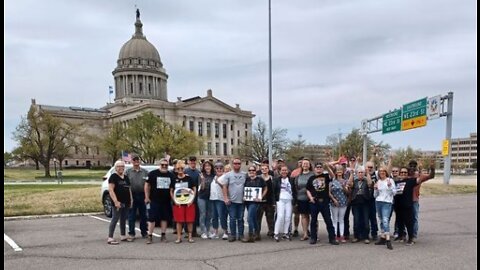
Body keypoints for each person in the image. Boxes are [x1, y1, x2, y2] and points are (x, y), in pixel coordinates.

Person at [306, 162, 338, 245]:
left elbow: (333, 176)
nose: (319, 168)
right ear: (315, 169)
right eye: (317, 167)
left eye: (320, 167)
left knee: (328, 220)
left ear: (322, 169)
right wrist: (310, 198)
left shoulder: (325, 176)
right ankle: (313, 238)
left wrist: (327, 167)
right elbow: (307, 189)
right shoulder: (311, 178)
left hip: (324, 201)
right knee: (313, 221)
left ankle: (332, 238)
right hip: (314, 202)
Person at [144, 158, 174, 244]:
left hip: (166, 201)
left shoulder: (171, 175)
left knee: (164, 218)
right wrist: (146, 197)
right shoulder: (153, 174)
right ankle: (149, 236)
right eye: (162, 165)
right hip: (154, 200)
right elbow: (146, 185)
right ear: (159, 165)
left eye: (166, 165)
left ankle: (163, 235)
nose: (164, 166)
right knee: (151, 218)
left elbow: (172, 188)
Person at [170, 160, 197, 243]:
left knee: (189, 221)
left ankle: (190, 237)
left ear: (184, 168)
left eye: (182, 168)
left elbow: (194, 189)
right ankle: (179, 237)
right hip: (178, 203)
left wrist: (192, 199)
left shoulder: (189, 178)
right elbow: (171, 191)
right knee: (179, 221)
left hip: (189, 203)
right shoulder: (174, 179)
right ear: (176, 169)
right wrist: (174, 200)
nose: (180, 170)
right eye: (178, 168)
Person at [107, 160, 132, 245]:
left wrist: (131, 200)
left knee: (123, 219)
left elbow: (129, 189)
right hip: (118, 202)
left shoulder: (126, 177)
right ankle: (110, 238)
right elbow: (111, 190)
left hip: (126, 201)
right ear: (115, 168)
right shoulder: (113, 177)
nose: (121, 168)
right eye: (119, 166)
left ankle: (123, 235)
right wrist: (116, 201)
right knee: (115, 219)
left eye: (122, 166)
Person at [222, 158, 247, 242]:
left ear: (240, 164)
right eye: (235, 163)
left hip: (242, 201)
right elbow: (224, 187)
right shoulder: (228, 175)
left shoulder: (244, 174)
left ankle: (241, 235)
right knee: (232, 218)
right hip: (232, 201)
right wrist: (225, 198)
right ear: (233, 164)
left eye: (238, 163)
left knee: (240, 218)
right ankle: (232, 235)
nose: (237, 165)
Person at [125, 155, 149, 241]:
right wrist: (129, 198)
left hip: (142, 195)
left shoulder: (145, 172)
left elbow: (148, 185)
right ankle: (131, 233)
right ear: (132, 161)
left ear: (139, 161)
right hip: (132, 195)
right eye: (134, 160)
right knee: (132, 215)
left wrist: (147, 197)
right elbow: (126, 186)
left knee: (144, 215)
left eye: (137, 160)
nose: (136, 161)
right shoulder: (128, 172)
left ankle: (144, 232)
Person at [373, 166, 396, 250]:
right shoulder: (378, 181)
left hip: (387, 202)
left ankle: (388, 239)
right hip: (379, 202)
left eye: (383, 171)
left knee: (385, 220)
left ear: (386, 172)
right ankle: (382, 237)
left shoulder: (390, 180)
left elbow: (394, 193)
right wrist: (375, 189)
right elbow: (375, 195)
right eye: (380, 171)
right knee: (381, 219)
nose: (382, 172)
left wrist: (390, 186)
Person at [243, 165, 267, 242]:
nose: (251, 172)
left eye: (253, 170)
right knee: (253, 218)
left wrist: (261, 197)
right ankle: (257, 234)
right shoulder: (246, 179)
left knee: (249, 218)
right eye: (250, 170)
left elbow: (266, 188)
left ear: (255, 171)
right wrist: (244, 196)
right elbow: (244, 189)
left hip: (255, 202)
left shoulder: (260, 179)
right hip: (247, 202)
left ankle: (251, 235)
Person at [273, 165, 297, 242]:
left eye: (285, 170)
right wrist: (274, 201)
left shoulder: (291, 179)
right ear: (280, 171)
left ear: (288, 171)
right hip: (280, 200)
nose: (284, 172)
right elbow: (273, 191)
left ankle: (286, 233)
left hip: (289, 200)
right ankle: (276, 233)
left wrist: (295, 200)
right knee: (280, 216)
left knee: (288, 217)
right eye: (282, 170)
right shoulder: (276, 180)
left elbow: (294, 190)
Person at [210, 163, 230, 240]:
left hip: (221, 199)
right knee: (214, 217)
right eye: (217, 168)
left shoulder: (225, 177)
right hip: (213, 199)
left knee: (222, 216)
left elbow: (226, 188)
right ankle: (215, 232)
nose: (219, 169)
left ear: (223, 169)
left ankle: (225, 232)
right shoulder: (214, 177)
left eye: (220, 168)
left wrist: (218, 182)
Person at [256, 164, 275, 240]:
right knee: (258, 218)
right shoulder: (258, 178)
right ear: (260, 170)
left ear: (268, 169)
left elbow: (274, 191)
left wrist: (274, 202)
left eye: (265, 168)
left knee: (270, 218)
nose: (264, 170)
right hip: (260, 201)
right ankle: (257, 233)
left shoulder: (272, 179)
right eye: (262, 169)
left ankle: (271, 231)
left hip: (269, 201)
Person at [184, 156, 201, 237]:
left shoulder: (198, 172)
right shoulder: (185, 171)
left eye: (194, 162)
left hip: (196, 195)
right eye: (191, 162)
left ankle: (194, 231)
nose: (193, 164)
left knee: (195, 214)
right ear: (188, 162)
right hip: (186, 195)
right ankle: (187, 231)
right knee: (186, 213)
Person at [198, 161, 215, 239]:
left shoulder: (214, 176)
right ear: (204, 168)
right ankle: (203, 231)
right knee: (203, 214)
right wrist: (203, 180)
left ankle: (207, 231)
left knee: (209, 215)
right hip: (202, 197)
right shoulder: (201, 175)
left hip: (211, 197)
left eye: (209, 166)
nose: (207, 167)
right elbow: (202, 188)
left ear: (211, 167)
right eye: (206, 166)